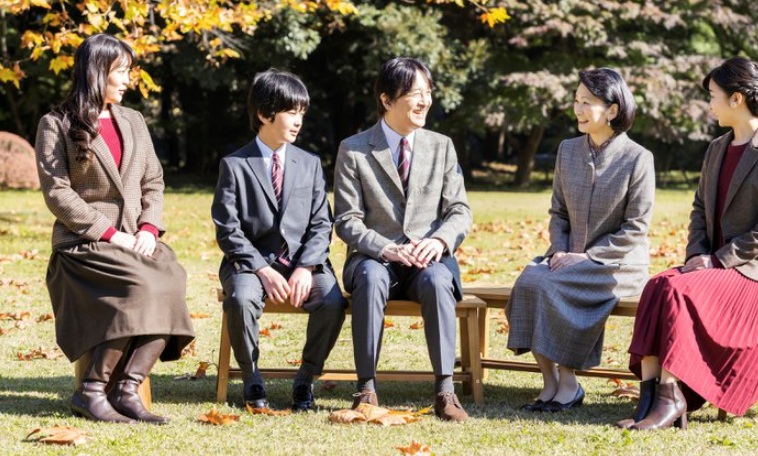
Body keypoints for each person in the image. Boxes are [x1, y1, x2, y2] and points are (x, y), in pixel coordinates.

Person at [622, 57, 758, 430]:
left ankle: (673, 398)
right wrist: (697, 255)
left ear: (737, 99)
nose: (709, 104)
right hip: (715, 267)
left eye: (713, 96)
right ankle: (649, 398)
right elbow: (700, 209)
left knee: (679, 292)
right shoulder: (717, 148)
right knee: (658, 285)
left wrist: (717, 261)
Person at [35, 34, 194, 424]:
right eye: (120, 71)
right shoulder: (55, 124)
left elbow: (153, 183)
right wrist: (112, 234)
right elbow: (58, 194)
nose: (127, 79)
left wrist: (149, 228)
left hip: (137, 240)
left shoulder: (134, 121)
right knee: (139, 286)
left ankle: (126, 388)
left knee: (172, 278)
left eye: (127, 71)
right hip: (84, 245)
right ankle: (91, 390)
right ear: (96, 73)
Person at [506, 68, 654, 412]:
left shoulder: (638, 158)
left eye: (587, 102)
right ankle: (549, 383)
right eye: (576, 101)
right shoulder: (567, 150)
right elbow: (558, 212)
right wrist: (561, 249)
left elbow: (636, 226)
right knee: (529, 281)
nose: (578, 109)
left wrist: (588, 257)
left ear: (613, 110)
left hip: (617, 264)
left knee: (551, 286)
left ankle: (569, 382)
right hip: (565, 256)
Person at [333, 57, 472, 422]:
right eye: (414, 93)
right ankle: (366, 387)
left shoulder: (442, 146)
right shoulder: (354, 148)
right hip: (374, 258)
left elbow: (460, 210)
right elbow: (346, 220)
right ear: (386, 99)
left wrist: (440, 242)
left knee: (440, 280)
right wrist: (384, 247)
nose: (424, 101)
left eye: (428, 93)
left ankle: (445, 390)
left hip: (427, 260)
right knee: (371, 277)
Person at [212, 69, 346, 412]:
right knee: (241, 299)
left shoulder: (310, 164)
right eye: (291, 111)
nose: (299, 120)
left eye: (302, 112)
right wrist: (261, 270)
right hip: (250, 265)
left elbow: (321, 223)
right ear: (263, 114)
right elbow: (228, 229)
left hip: (304, 263)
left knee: (332, 303)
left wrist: (306, 267)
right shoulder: (234, 165)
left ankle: (306, 378)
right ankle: (252, 376)